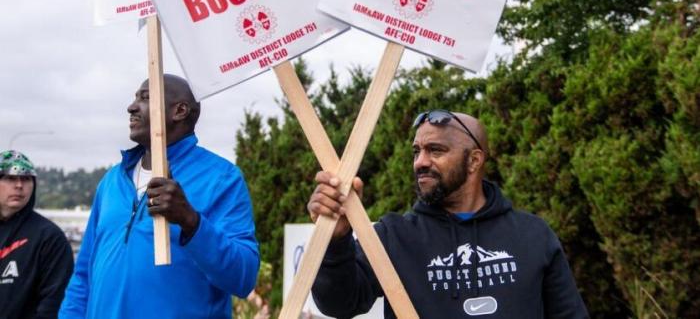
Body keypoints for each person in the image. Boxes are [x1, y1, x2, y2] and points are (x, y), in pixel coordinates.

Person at [308, 110, 588, 318]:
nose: (421, 162)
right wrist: (335, 241)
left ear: (474, 160)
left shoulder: (533, 235)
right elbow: (338, 304)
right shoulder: (393, 237)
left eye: (436, 150)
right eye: (416, 152)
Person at [59, 74, 259, 319]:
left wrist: (191, 222)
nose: (131, 106)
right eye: (135, 97)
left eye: (145, 97)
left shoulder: (222, 179)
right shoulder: (112, 181)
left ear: (180, 110)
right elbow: (83, 275)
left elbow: (243, 277)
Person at [0, 150, 74, 319]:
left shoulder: (49, 237)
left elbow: (54, 301)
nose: (19, 185)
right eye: (10, 178)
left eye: (26, 179)